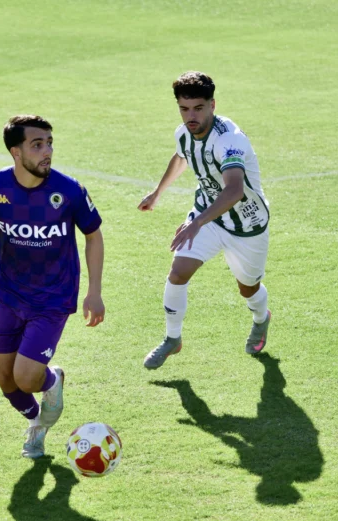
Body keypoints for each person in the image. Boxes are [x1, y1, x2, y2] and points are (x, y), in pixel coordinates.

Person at [0, 115, 105, 458]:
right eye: (38, 145)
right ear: (16, 152)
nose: (47, 151)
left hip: (53, 298)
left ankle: (52, 381)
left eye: (49, 143)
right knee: (5, 378)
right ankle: (36, 423)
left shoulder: (69, 190)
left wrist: (94, 291)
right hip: (9, 293)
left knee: (27, 377)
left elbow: (93, 235)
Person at [138, 71, 271, 369]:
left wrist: (196, 223)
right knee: (178, 272)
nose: (191, 116)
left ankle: (261, 318)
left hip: (246, 224)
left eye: (198, 108)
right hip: (207, 215)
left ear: (213, 104)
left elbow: (235, 190)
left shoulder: (229, 140)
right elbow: (182, 155)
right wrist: (157, 193)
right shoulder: (184, 132)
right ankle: (173, 339)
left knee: (247, 288)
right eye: (184, 109)